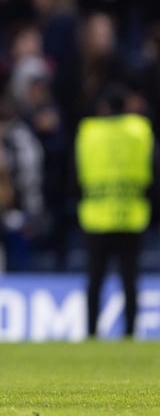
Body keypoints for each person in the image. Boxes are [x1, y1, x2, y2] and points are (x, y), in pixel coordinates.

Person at [74, 84, 156, 339]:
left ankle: (91, 333)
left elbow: (74, 174)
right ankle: (130, 333)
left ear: (104, 108)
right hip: (132, 215)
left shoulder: (89, 133)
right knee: (130, 281)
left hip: (97, 217)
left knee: (95, 281)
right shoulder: (140, 131)